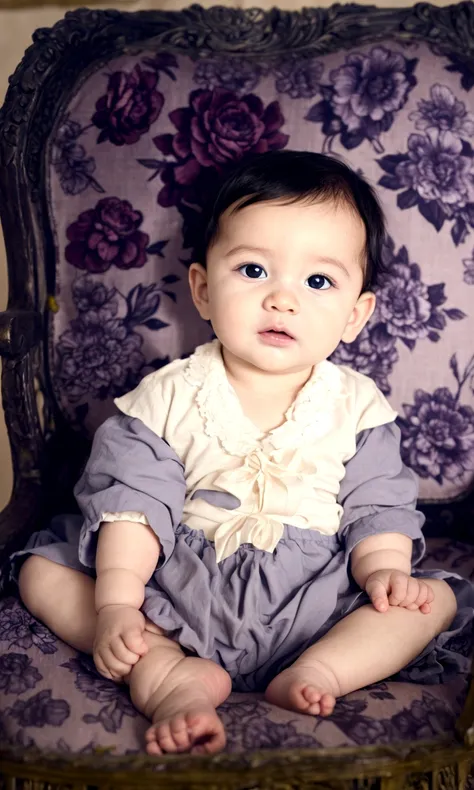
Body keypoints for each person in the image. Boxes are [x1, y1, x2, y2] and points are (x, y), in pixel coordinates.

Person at [11, 150, 472, 757]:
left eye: (317, 281)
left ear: (357, 314)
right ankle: (176, 680)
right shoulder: (165, 397)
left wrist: (382, 570)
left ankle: (321, 672)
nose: (282, 300)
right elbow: (133, 502)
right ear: (202, 288)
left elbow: (378, 503)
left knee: (430, 600)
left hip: (316, 600)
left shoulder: (360, 407)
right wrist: (119, 602)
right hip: (174, 594)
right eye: (254, 271)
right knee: (40, 571)